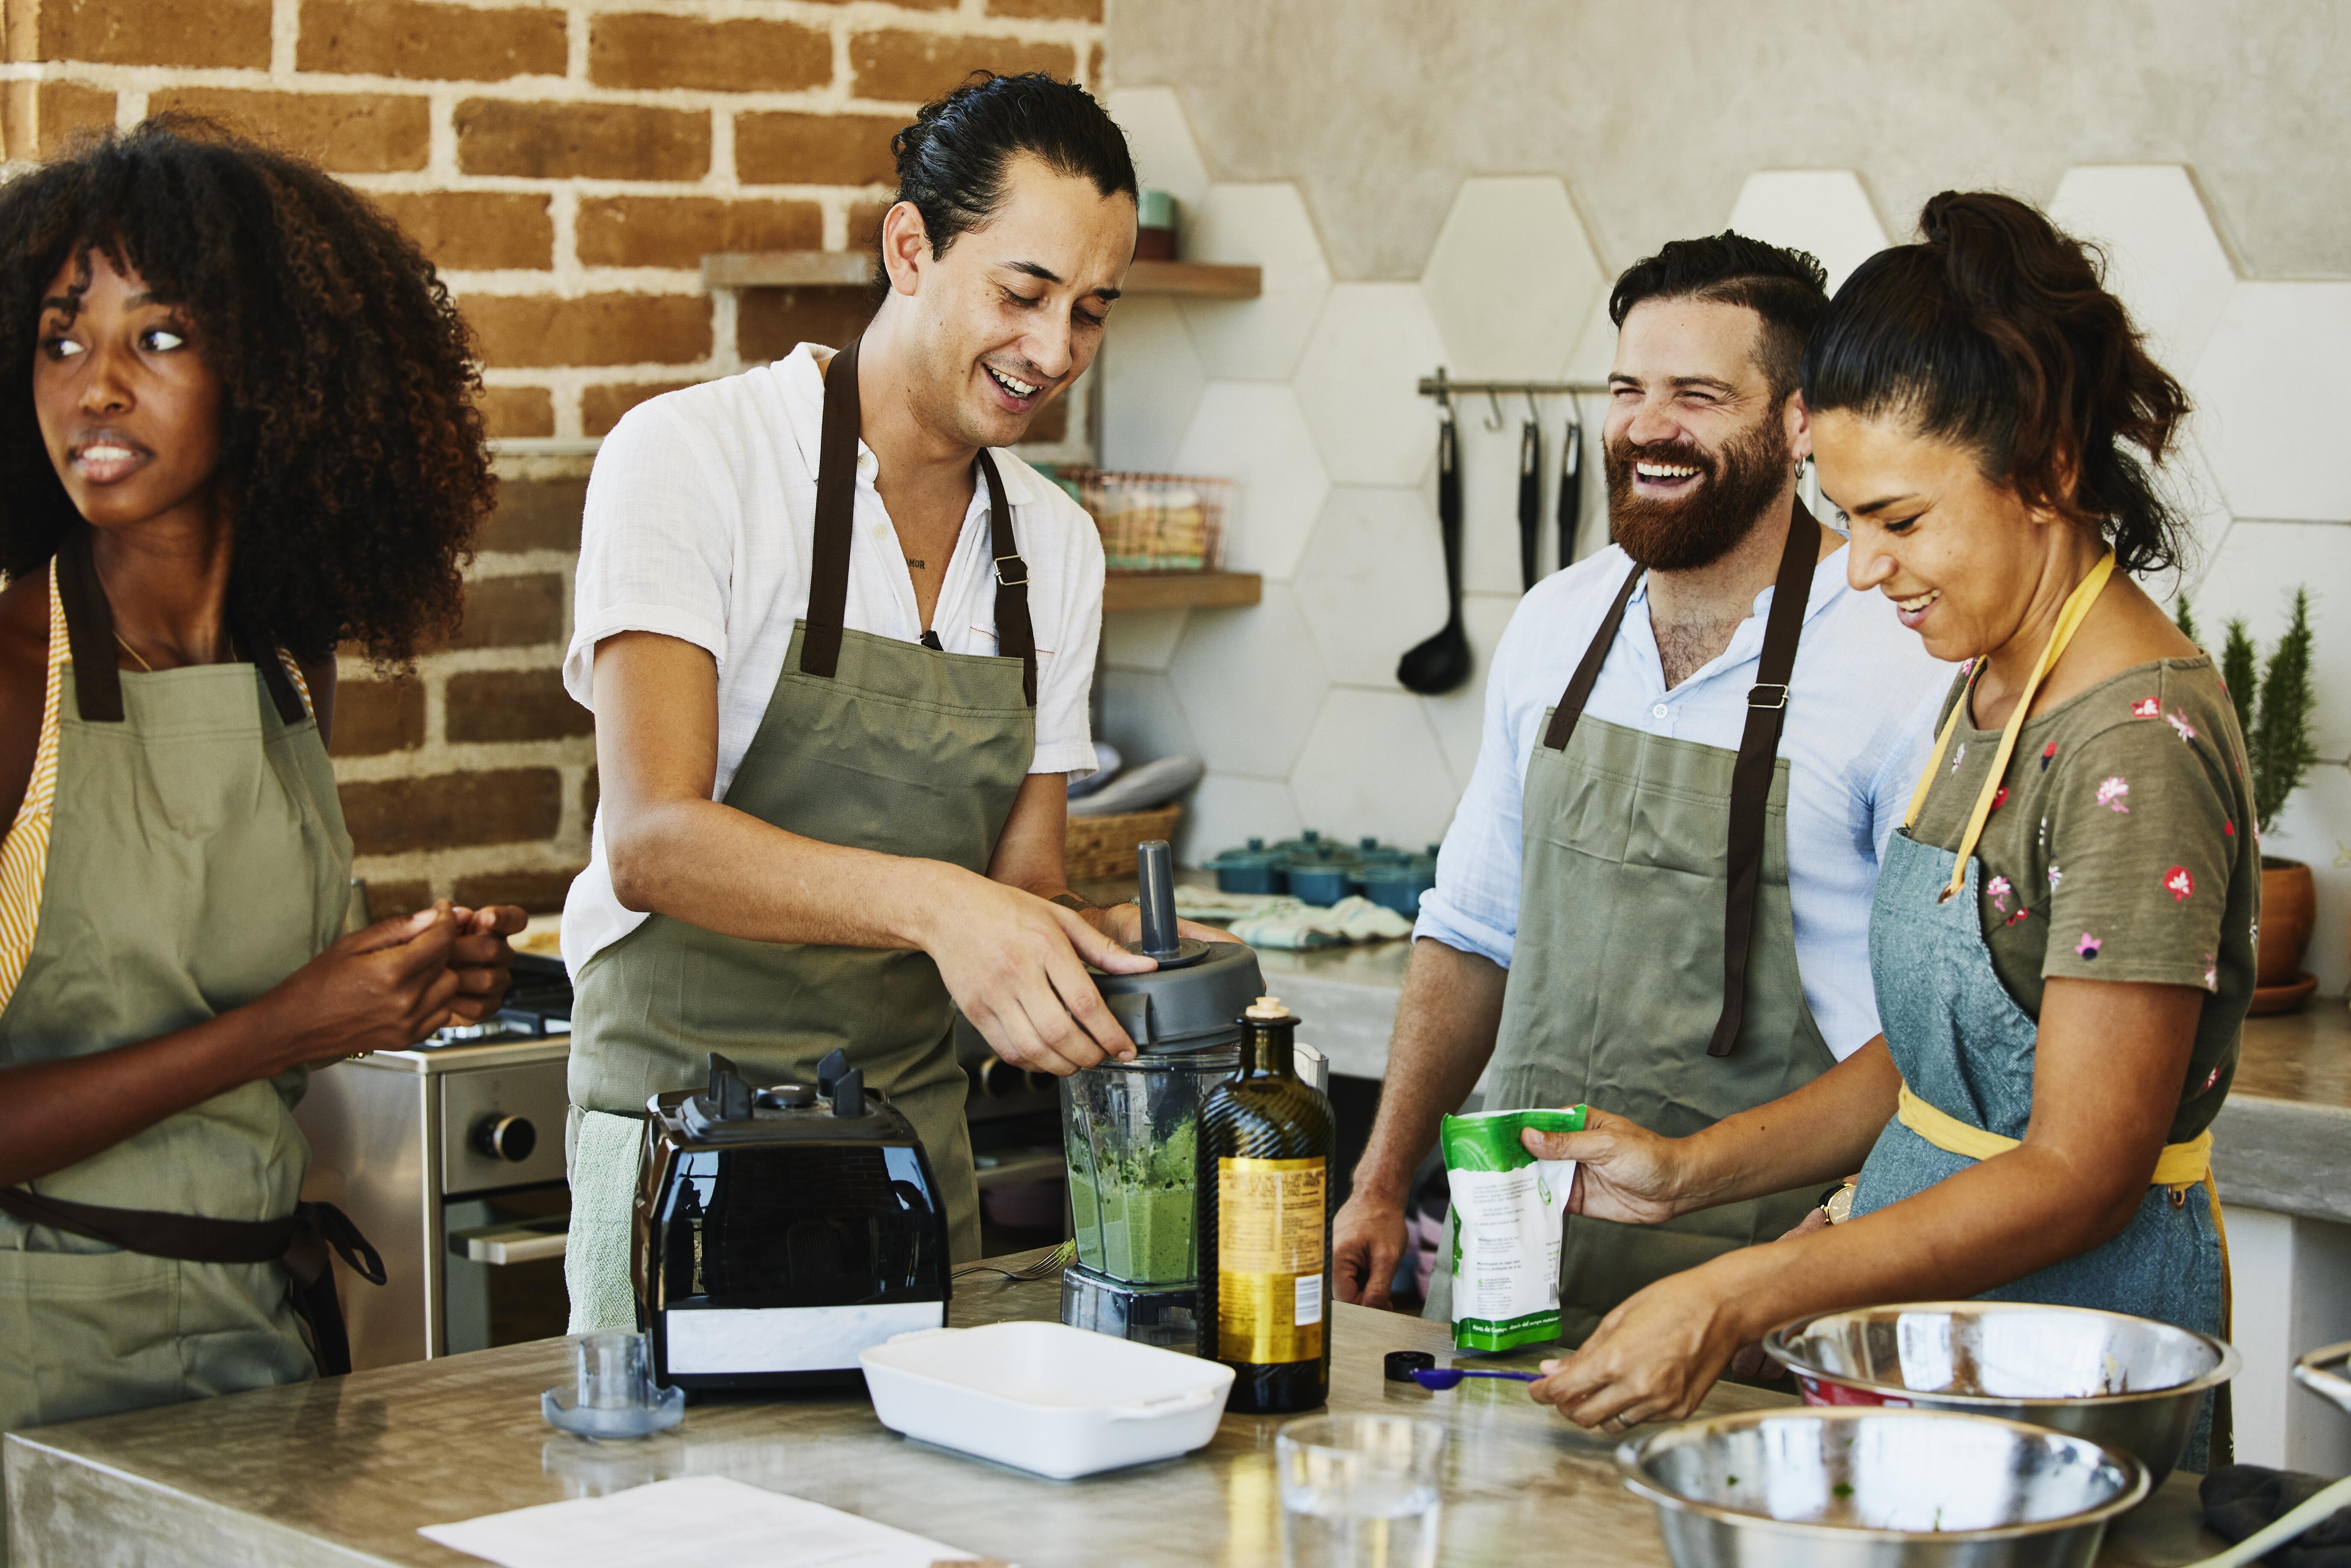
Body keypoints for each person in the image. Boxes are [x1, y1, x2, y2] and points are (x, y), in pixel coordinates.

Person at [1522, 193, 2254, 1472]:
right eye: (1844, 516)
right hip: (1926, 1339)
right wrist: (1690, 1174)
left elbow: (2080, 1168)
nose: (1861, 569)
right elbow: (1936, 1059)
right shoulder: (1988, 681)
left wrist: (1743, 1290)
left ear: (2049, 474)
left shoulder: (2133, 743)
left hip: (2060, 1362)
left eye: (1898, 521)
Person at [562, 72, 1206, 1321]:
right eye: (1021, 293)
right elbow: (652, 843)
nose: (1053, 351)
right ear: (908, 246)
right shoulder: (693, 458)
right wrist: (938, 908)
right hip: (676, 1142)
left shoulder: (1055, 548)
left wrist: (1118, 975)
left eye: (1091, 312)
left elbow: (1019, 879)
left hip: (910, 1159)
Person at [0, 117, 522, 1518]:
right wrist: (289, 1025)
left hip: (257, 1357)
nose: (95, 387)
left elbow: (260, 1007)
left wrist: (401, 989)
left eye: (158, 337)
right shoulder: (10, 674)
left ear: (276, 376)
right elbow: (259, 1026)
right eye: (61, 338)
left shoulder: (287, 669)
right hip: (37, 1375)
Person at [1332, 234, 1950, 1341]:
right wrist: (1380, 1179)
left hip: (1763, 1278)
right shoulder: (1554, 624)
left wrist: (1809, 1260)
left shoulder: (1895, 663)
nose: (1646, 426)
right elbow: (1471, 932)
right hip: (1513, 1258)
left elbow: (1930, 1039)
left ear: (1799, 420)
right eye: (1627, 390)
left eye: (1698, 395)